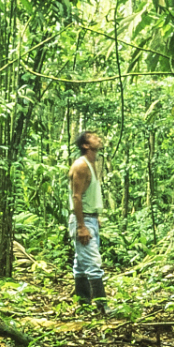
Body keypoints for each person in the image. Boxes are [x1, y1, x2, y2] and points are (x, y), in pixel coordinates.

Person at [68, 130, 108, 314]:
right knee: (93, 263)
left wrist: (94, 217)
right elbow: (76, 196)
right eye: (93, 137)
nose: (98, 139)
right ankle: (101, 306)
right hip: (82, 220)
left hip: (89, 218)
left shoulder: (93, 165)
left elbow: (86, 195)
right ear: (85, 145)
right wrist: (81, 226)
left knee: (82, 264)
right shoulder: (81, 165)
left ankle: (83, 304)